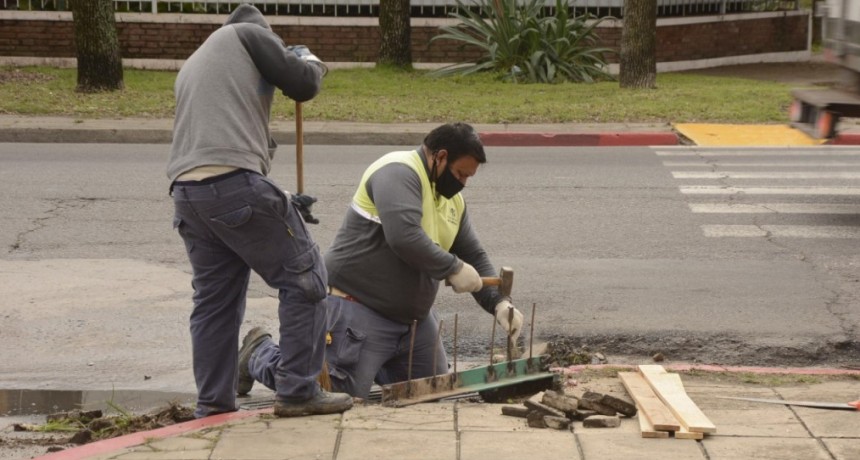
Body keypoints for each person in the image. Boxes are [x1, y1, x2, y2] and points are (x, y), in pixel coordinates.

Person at [239, 122, 524, 399]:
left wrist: (498, 302)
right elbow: (404, 237)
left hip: (413, 321)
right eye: (461, 174)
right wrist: (453, 268)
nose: (462, 184)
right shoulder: (397, 172)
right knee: (334, 391)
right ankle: (259, 352)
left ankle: (373, 364)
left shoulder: (453, 201)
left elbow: (474, 255)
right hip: (358, 307)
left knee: (430, 390)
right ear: (441, 157)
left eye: (468, 178)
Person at [167, 4, 352, 418]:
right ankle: (299, 391)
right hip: (232, 186)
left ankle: (213, 405)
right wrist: (309, 62)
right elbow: (302, 85)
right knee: (306, 277)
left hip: (189, 195)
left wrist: (281, 197)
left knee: (215, 302)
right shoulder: (247, 34)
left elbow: (220, 154)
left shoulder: (198, 63)